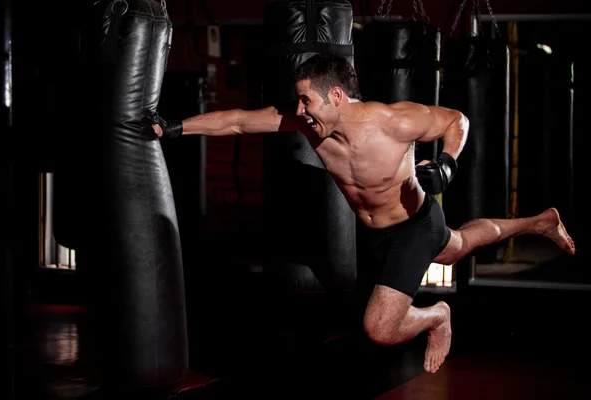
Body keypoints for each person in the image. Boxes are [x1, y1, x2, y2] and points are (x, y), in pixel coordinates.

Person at [149, 53, 576, 374]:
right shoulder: (309, 126)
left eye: (306, 100)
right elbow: (238, 121)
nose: (299, 110)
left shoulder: (392, 121)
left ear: (336, 95)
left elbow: (457, 121)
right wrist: (173, 127)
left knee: (380, 327)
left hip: (414, 224)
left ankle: (437, 316)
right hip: (377, 234)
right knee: (456, 247)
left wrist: (446, 162)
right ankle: (540, 221)